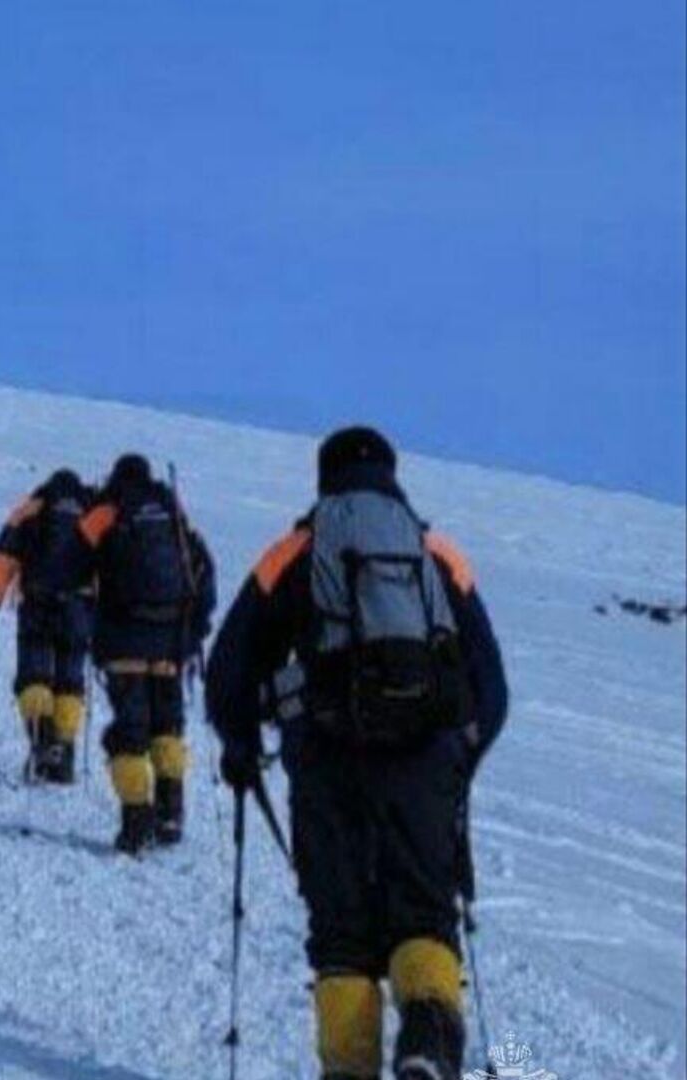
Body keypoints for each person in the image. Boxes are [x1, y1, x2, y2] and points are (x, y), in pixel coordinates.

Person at [205, 426, 507, 1080]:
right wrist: (458, 764)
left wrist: (241, 747)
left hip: (327, 763)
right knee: (424, 914)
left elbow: (229, 668)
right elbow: (494, 688)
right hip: (426, 761)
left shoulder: (296, 551)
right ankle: (427, 1035)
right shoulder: (435, 553)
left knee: (342, 936)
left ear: (324, 479)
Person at [73, 453, 215, 852]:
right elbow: (204, 574)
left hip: (123, 642)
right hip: (172, 643)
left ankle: (137, 824)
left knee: (130, 732)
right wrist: (195, 632)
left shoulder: (108, 510)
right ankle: (171, 814)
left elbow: (70, 564)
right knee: (168, 727)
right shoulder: (174, 516)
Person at [0, 469, 98, 783]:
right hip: (78, 608)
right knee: (69, 683)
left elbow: (5, 549)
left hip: (37, 601)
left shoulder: (35, 505)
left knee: (33, 677)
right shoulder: (91, 509)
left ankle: (43, 743)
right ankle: (64, 754)